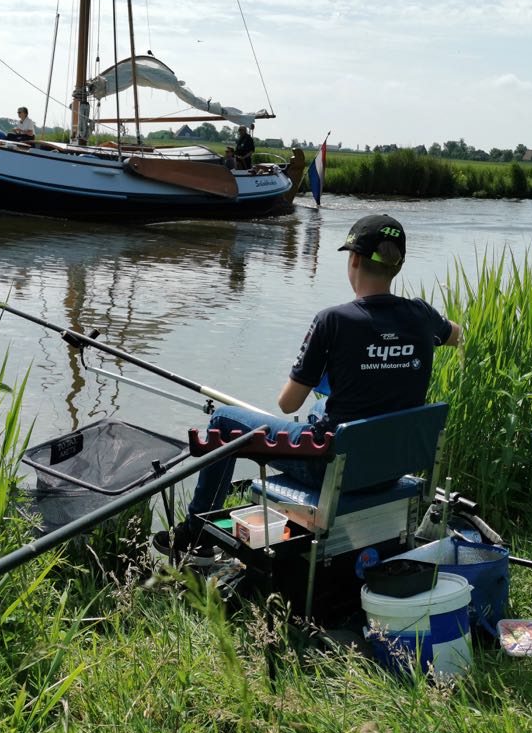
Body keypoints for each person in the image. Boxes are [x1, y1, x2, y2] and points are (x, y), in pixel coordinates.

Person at [160, 213, 464, 557]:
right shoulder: (423, 315)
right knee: (321, 407)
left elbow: (288, 403)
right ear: (398, 266)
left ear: (354, 259)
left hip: (331, 468)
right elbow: (458, 335)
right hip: (389, 468)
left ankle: (196, 534)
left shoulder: (332, 320)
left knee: (223, 421)